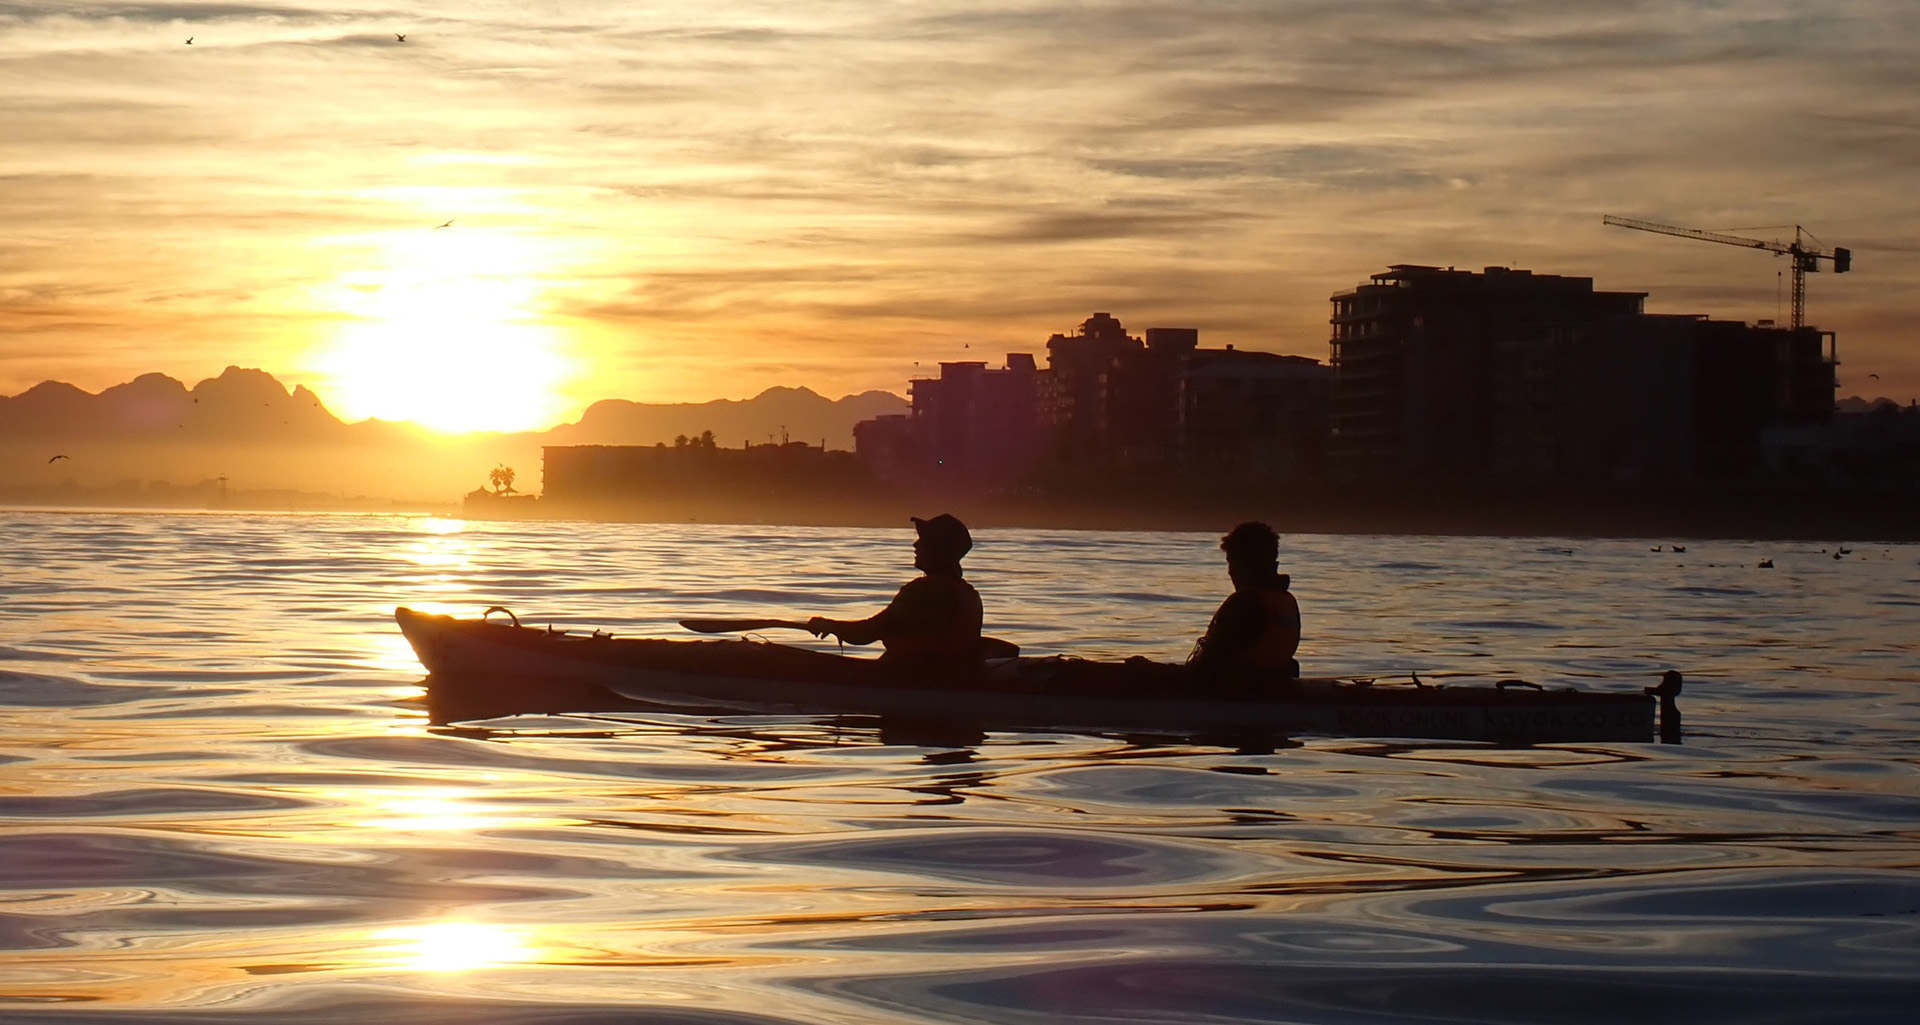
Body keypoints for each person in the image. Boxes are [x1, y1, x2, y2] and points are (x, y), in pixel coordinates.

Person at [807, 514, 984, 670]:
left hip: (917, 679)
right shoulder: (969, 592)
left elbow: (868, 632)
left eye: (924, 540)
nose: (915, 545)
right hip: (947, 677)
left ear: (938, 550)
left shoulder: (926, 590)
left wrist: (828, 625)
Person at [1188, 521, 1300, 687]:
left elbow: (1206, 666)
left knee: (1137, 668)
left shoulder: (1245, 603)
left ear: (1246, 563)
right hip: (1270, 689)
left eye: (1231, 563)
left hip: (1233, 692)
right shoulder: (1286, 601)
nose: (1229, 571)